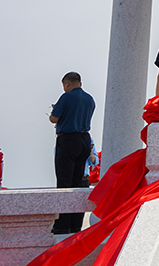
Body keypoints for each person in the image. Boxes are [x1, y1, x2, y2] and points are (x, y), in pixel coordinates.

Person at [50, 72, 95, 234]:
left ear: (67, 84)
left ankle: (62, 225)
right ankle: (76, 224)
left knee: (64, 181)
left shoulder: (66, 97)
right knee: (78, 182)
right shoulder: (90, 99)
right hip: (84, 140)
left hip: (68, 140)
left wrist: (54, 112)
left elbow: (54, 118)